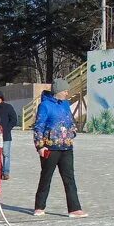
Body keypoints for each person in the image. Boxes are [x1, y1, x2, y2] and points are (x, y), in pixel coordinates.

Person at [32, 79, 86, 218]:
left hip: (66, 147)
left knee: (69, 178)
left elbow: (70, 121)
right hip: (50, 147)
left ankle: (74, 209)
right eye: (65, 90)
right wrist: (40, 146)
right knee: (46, 177)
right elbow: (38, 126)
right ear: (58, 91)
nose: (67, 93)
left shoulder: (66, 104)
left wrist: (72, 132)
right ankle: (39, 206)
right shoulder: (45, 106)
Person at [0, 91, 18, 180]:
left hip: (5, 136)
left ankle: (5, 172)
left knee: (6, 154)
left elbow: (14, 120)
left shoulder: (8, 107)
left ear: (2, 99)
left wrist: (7, 129)